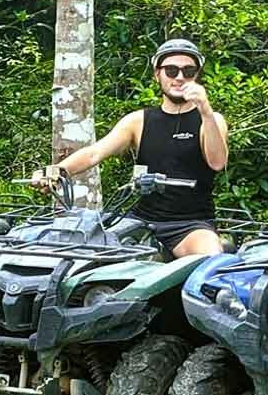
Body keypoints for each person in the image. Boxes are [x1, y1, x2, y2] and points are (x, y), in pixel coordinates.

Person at [41, 37, 228, 258]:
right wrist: (56, 171)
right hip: (139, 220)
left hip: (189, 225)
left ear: (197, 76)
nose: (179, 77)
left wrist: (205, 110)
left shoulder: (212, 119)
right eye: (171, 70)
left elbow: (217, 162)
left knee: (212, 260)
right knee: (85, 253)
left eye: (188, 71)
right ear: (157, 74)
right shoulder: (138, 121)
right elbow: (95, 153)